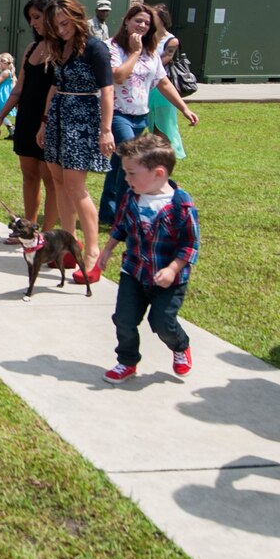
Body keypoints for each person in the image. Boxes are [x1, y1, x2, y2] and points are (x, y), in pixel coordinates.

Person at [93, 133, 200, 383]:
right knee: (123, 319)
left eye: (132, 173)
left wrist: (173, 269)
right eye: (125, 172)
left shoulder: (181, 206)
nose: (126, 178)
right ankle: (127, 361)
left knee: (162, 322)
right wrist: (107, 249)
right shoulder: (132, 196)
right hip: (134, 271)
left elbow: (190, 245)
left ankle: (180, 346)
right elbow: (121, 225)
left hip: (168, 279)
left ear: (158, 173)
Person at [38, 0, 115, 282]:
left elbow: (107, 90)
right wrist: (44, 123)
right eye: (56, 25)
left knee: (75, 185)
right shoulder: (59, 47)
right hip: (59, 116)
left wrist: (105, 130)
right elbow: (54, 88)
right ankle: (68, 244)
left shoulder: (95, 47)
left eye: (65, 22)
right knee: (58, 182)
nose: (61, 29)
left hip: (83, 118)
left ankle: (93, 252)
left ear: (76, 17)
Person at [99, 3, 198, 226]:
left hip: (140, 115)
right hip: (117, 113)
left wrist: (184, 108)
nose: (142, 26)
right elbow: (118, 76)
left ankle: (108, 212)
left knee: (119, 163)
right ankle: (126, 216)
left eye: (146, 23)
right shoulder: (112, 47)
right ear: (126, 21)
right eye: (138, 21)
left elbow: (163, 82)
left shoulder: (150, 51)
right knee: (133, 160)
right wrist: (134, 52)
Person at [0, 0, 61, 241]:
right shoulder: (31, 48)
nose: (33, 23)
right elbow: (18, 89)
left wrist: (46, 122)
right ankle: (26, 231)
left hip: (50, 120)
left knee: (51, 180)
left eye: (37, 16)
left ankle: (47, 236)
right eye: (30, 18)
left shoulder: (64, 49)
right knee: (29, 176)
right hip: (27, 118)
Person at [144, 4, 188, 160]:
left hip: (162, 88)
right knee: (151, 124)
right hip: (147, 88)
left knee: (163, 124)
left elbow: (164, 60)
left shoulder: (172, 41)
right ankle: (155, 155)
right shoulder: (147, 38)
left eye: (152, 17)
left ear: (162, 20)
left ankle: (165, 156)